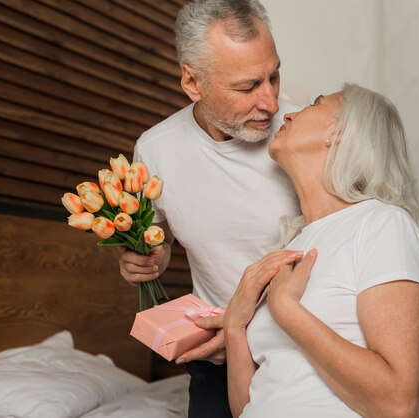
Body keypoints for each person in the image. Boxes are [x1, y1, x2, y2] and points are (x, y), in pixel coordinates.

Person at [217, 84, 419, 417]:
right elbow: (251, 406)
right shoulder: (292, 245)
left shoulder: (382, 223)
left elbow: (400, 405)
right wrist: (234, 326)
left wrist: (287, 310)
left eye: (314, 104)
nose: (287, 114)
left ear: (340, 132)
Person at [117, 1, 301, 417]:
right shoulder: (155, 149)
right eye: (248, 86)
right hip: (217, 355)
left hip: (311, 341)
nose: (271, 102)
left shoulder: (304, 129)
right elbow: (156, 239)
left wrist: (252, 331)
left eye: (273, 76)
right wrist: (147, 259)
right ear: (192, 82)